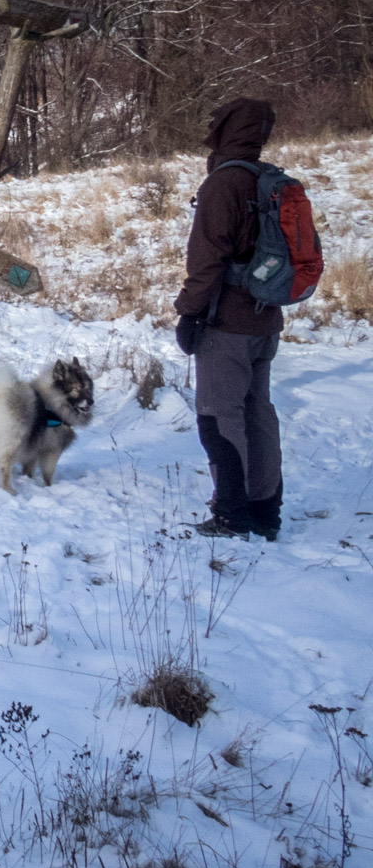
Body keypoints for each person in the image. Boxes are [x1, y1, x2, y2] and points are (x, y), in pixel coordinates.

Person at [173, 97, 282, 540]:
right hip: (266, 319)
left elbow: (207, 260)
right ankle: (265, 511)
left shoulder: (224, 184)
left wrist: (189, 312)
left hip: (228, 325)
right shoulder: (268, 180)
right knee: (258, 412)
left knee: (219, 416)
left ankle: (232, 514)